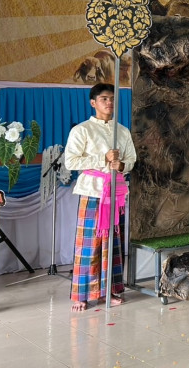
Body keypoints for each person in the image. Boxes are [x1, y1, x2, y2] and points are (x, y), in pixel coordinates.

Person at [66, 83, 136, 312]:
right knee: (89, 244)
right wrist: (102, 158)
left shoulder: (122, 131)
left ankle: (109, 290)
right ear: (93, 102)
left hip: (116, 193)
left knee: (113, 243)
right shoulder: (82, 130)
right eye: (104, 98)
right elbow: (71, 162)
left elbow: (132, 159)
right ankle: (82, 294)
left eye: (112, 99)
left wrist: (121, 165)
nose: (109, 102)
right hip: (93, 192)